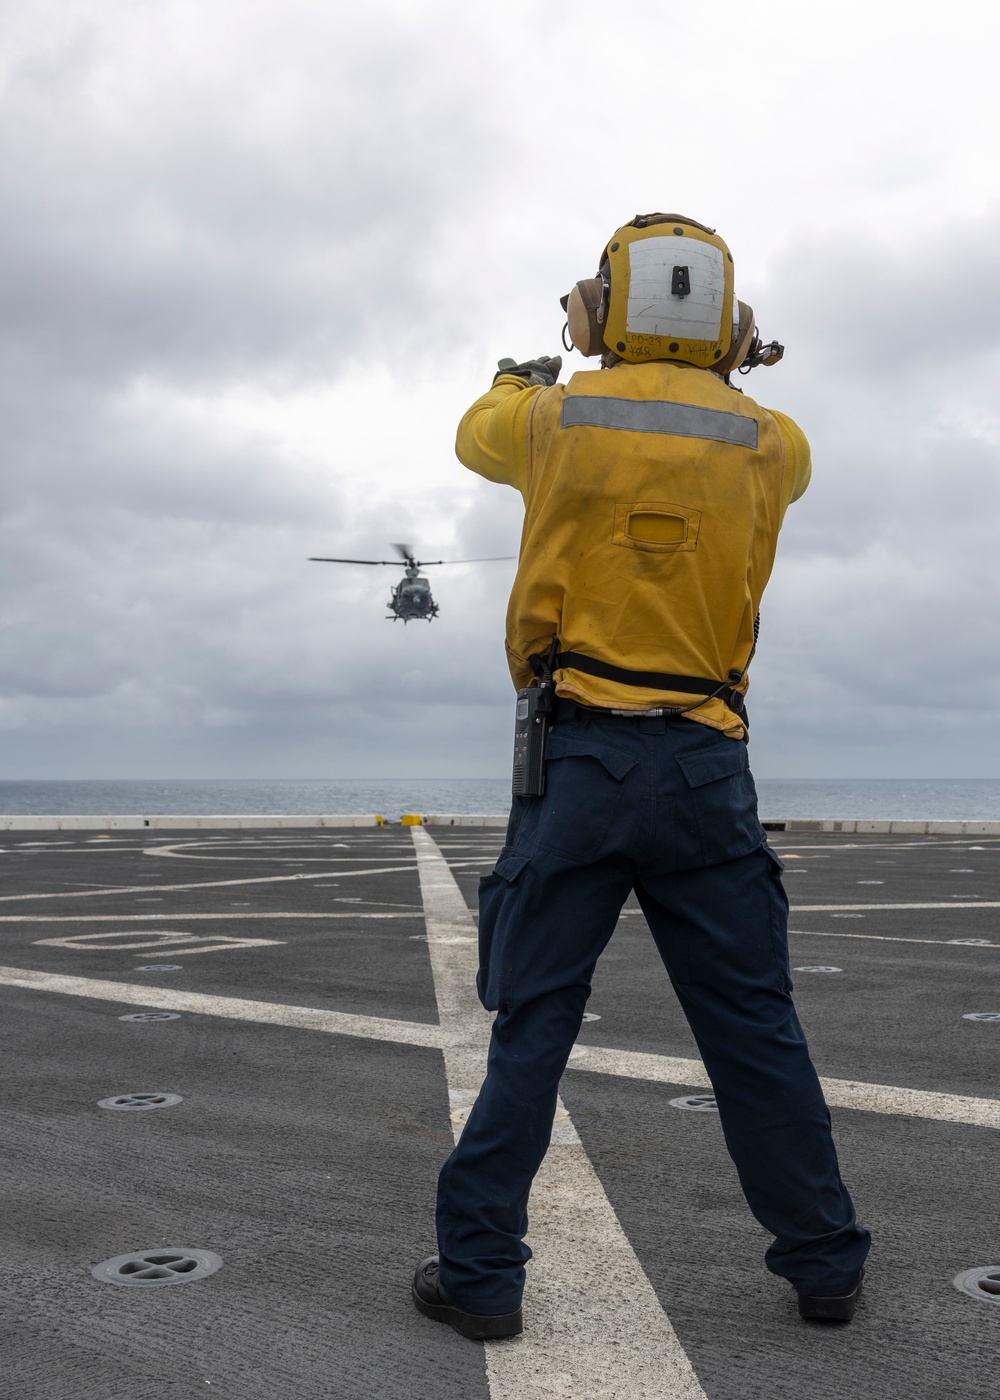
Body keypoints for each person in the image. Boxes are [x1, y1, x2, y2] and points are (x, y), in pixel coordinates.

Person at [412, 213, 870, 1340]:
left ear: (609, 310)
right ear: (728, 323)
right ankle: (822, 1264)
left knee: (535, 1021)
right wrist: (726, 363)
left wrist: (538, 361)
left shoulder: (555, 418)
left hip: (576, 756)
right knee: (754, 1027)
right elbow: (761, 429)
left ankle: (480, 1278)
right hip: (707, 761)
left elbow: (478, 432)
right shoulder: (772, 440)